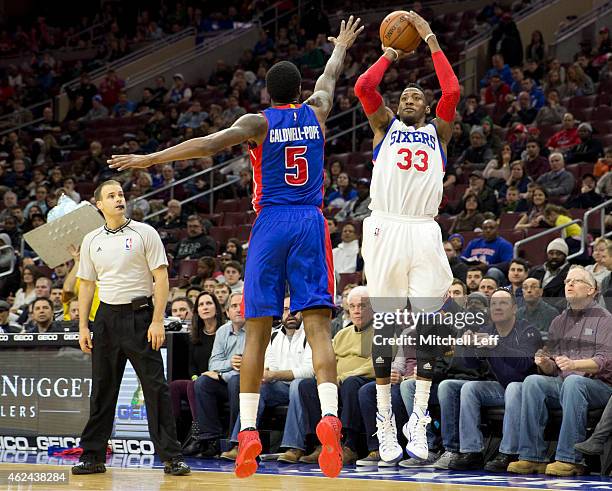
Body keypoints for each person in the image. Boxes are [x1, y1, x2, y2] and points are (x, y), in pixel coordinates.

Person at [108, 16, 364, 479]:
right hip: (310, 221)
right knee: (321, 331)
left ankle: (247, 433)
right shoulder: (319, 109)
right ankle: (330, 420)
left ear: (267, 93)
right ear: (299, 90)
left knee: (255, 335)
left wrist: (151, 158)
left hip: (270, 223)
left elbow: (205, 144)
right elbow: (330, 78)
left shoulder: (257, 123)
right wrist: (341, 46)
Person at [354, 10, 459, 463]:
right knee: (388, 323)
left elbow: (452, 89)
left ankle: (418, 418)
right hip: (386, 224)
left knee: (432, 323)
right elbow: (364, 88)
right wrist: (390, 55)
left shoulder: (440, 131)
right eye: (407, 96)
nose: (413, 98)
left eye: (420, 95)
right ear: (399, 107)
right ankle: (384, 421)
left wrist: (432, 39)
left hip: (424, 227)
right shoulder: (384, 128)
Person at [72, 180, 190, 476]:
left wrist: (158, 319)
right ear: (98, 204)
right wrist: (83, 326)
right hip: (106, 319)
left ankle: (171, 456)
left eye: (121, 194)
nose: (118, 199)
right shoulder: (91, 239)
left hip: (140, 316)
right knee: (102, 389)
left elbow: (161, 279)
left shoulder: (144, 232)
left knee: (155, 387)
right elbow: (86, 284)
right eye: (111, 196)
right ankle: (92, 455)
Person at [508, 266, 612, 477]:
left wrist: (574, 365)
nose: (569, 284)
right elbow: (555, 367)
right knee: (533, 382)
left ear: (592, 289)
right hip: (564, 382)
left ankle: (571, 458)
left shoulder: (605, 319)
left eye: (576, 281)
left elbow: (605, 360)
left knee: (574, 382)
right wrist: (545, 363)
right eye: (567, 281)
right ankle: (532, 456)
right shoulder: (558, 321)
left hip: (599, 386)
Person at [444, 289, 541, 471]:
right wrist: (467, 346)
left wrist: (497, 344)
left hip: (526, 387)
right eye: (494, 303)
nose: (497, 307)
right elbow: (472, 364)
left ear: (514, 309)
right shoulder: (486, 330)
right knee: (469, 389)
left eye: (503, 303)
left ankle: (509, 452)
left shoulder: (527, 330)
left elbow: (526, 365)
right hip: (500, 387)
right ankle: (471, 451)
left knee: (513, 387)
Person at [176, 291, 226, 456]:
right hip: (199, 380)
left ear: (216, 308)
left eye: (209, 303)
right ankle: (174, 435)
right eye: (201, 305)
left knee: (199, 384)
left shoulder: (225, 332)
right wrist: (196, 377)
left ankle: (199, 436)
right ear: (196, 311)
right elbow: (191, 367)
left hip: (220, 380)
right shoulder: (194, 336)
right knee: (175, 386)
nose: (205, 307)